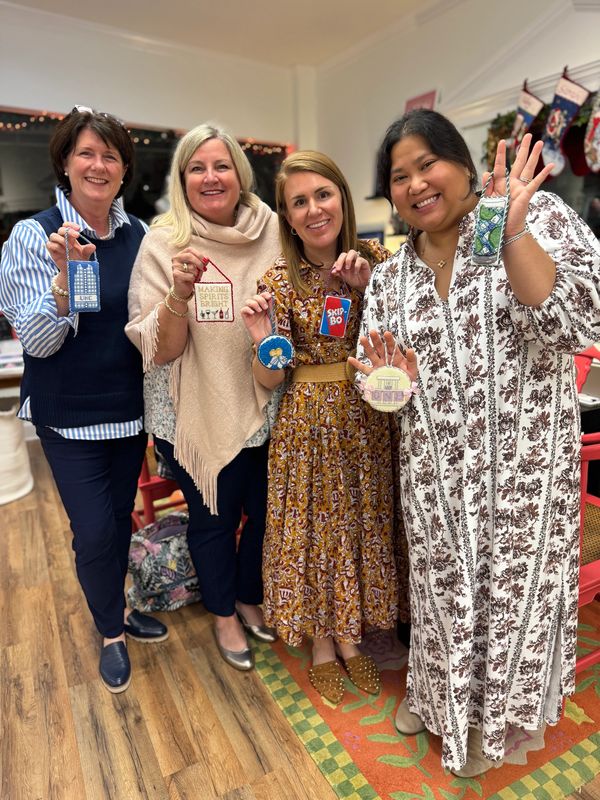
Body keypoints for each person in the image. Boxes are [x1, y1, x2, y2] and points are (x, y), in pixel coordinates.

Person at [350, 108, 600, 776]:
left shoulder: (534, 216)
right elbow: (380, 390)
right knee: (440, 599)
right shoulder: (391, 278)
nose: (415, 184)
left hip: (522, 476)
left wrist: (513, 230)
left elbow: (577, 321)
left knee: (511, 603)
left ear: (462, 164)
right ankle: (436, 698)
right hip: (435, 480)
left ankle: (494, 722)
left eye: (427, 164)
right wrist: (389, 384)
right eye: (398, 176)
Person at [0, 106, 167, 694]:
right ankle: (111, 632)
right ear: (66, 164)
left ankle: (117, 606)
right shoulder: (32, 236)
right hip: (67, 417)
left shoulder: (139, 234)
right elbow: (39, 344)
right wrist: (65, 280)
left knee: (119, 521)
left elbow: (149, 323)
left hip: (128, 411)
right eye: (86, 154)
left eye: (110, 156)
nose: (99, 166)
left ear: (124, 169)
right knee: (94, 531)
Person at [241, 151, 408, 705]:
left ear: (342, 198)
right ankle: (321, 644)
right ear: (288, 217)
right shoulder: (279, 280)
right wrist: (265, 338)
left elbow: (406, 340)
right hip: (307, 424)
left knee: (360, 525)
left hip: (369, 420)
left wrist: (369, 290)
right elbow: (269, 378)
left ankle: (353, 636)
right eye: (299, 202)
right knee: (314, 531)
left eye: (323, 194)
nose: (314, 210)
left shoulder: (378, 261)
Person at [126, 123, 281, 671]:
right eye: (197, 168)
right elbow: (161, 349)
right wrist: (179, 294)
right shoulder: (164, 240)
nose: (211, 177)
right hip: (191, 409)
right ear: (182, 178)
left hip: (267, 401)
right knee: (213, 518)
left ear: (241, 174)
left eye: (221, 165)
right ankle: (222, 613)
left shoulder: (272, 229)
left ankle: (248, 596)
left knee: (265, 513)